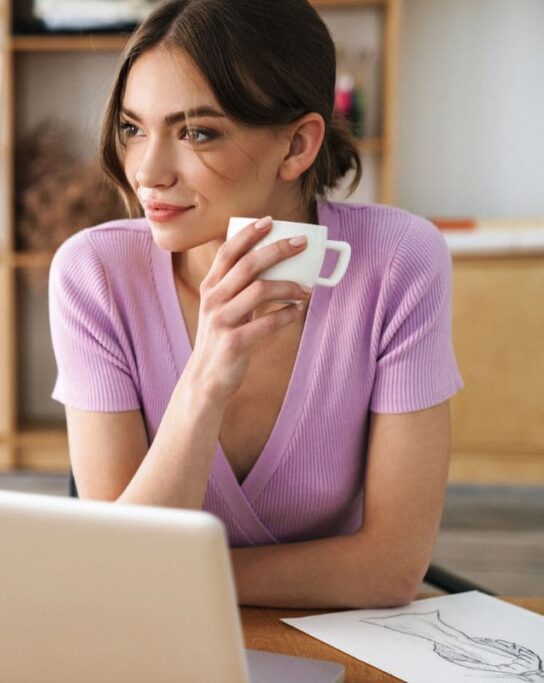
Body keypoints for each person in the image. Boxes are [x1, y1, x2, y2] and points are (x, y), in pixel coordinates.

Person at [48, 0, 464, 609]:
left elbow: (392, 569)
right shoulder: (94, 274)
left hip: (325, 640)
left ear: (296, 145)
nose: (148, 172)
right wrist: (207, 378)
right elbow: (121, 571)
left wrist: (176, 577)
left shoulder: (398, 262)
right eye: (134, 128)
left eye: (197, 132)